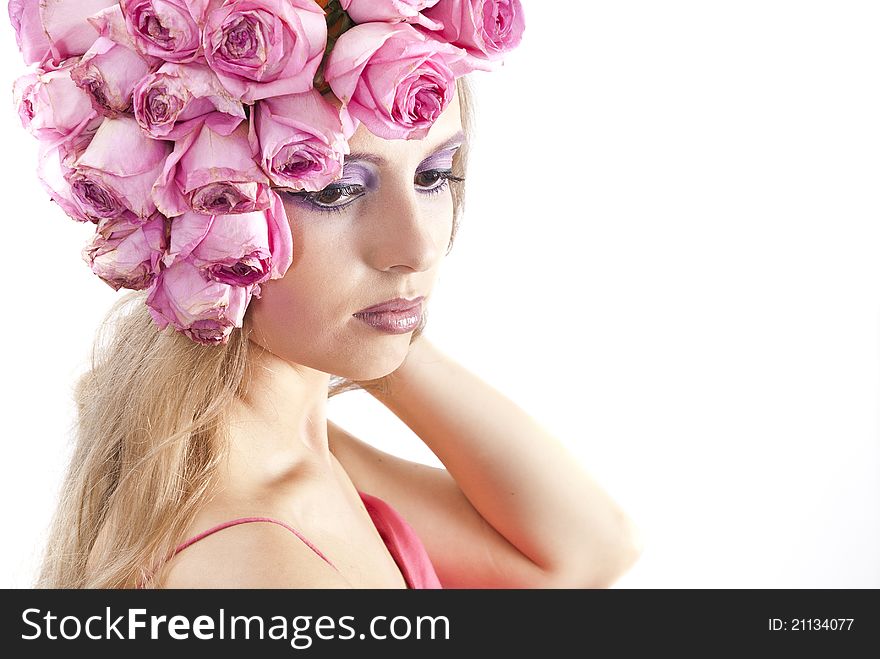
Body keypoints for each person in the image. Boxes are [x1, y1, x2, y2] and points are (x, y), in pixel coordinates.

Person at [13, 0, 642, 589]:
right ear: (201, 210)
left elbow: (585, 552)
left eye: (433, 176)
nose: (416, 250)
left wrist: (382, 319)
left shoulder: (286, 450)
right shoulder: (259, 559)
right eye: (335, 190)